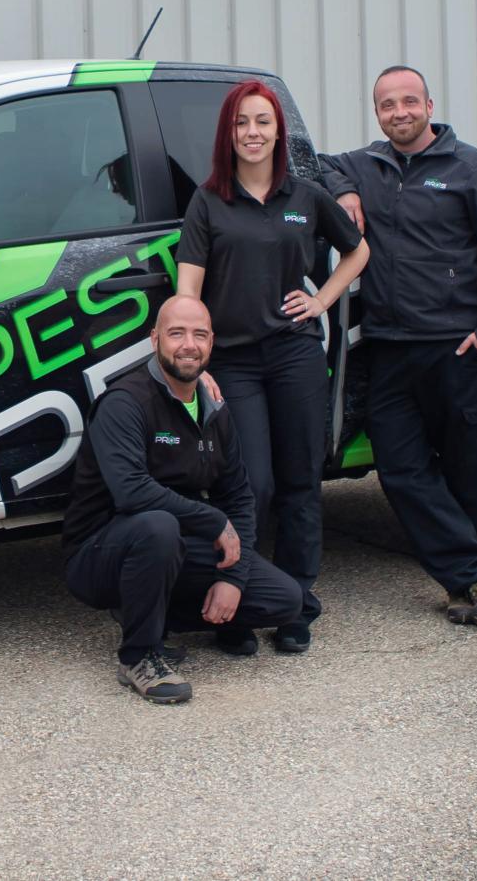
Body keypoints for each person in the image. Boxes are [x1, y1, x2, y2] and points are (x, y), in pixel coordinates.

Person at [321, 65, 477, 626]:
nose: (400, 113)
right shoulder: (366, 165)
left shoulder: (473, 168)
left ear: (430, 106)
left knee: (468, 469)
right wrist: (344, 190)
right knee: (399, 466)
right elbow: (319, 163)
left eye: (409, 101)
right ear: (377, 113)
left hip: (457, 347)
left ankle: (469, 586)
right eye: (387, 105)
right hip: (389, 346)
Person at [175, 80, 369, 656]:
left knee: (300, 482)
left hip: (294, 355)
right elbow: (188, 293)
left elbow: (358, 250)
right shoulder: (208, 201)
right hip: (233, 363)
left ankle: (296, 603)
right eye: (241, 123)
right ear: (227, 133)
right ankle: (240, 601)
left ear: (279, 131)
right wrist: (197, 361)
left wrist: (323, 299)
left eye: (262, 121)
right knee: (250, 485)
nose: (252, 133)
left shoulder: (305, 196)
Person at [62, 295, 303, 704]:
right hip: (101, 553)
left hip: (172, 545)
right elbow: (132, 491)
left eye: (199, 335)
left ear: (211, 342)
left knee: (284, 600)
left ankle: (149, 612)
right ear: (154, 339)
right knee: (158, 526)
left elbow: (238, 496)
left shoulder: (214, 409)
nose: (189, 345)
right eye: (176, 334)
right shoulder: (125, 402)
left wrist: (231, 579)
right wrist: (213, 522)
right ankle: (139, 655)